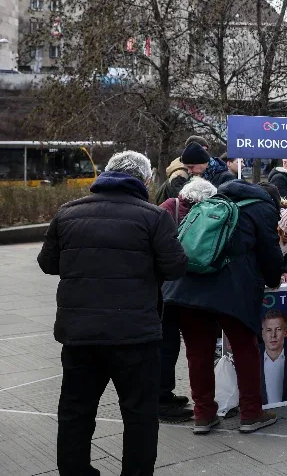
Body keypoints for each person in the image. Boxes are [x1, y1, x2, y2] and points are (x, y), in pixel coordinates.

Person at [38, 151, 188, 475]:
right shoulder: (154, 217)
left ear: (106, 173)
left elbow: (47, 263)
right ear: (144, 181)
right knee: (140, 415)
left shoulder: (67, 213)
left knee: (76, 413)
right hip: (136, 336)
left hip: (79, 335)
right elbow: (176, 266)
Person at [164, 177, 285, 434]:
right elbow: (270, 253)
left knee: (198, 352)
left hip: (189, 284)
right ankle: (252, 413)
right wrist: (273, 280)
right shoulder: (263, 208)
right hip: (232, 288)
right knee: (245, 349)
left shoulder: (214, 200)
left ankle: (203, 414)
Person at [157, 177, 218, 422]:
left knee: (165, 348)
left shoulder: (166, 209)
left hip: (163, 291)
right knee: (198, 351)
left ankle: (162, 395)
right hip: (193, 292)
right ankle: (200, 406)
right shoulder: (207, 217)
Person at [155, 135, 210, 204]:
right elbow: (183, 203)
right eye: (202, 150)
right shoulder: (179, 175)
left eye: (206, 151)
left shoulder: (189, 169)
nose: (205, 154)